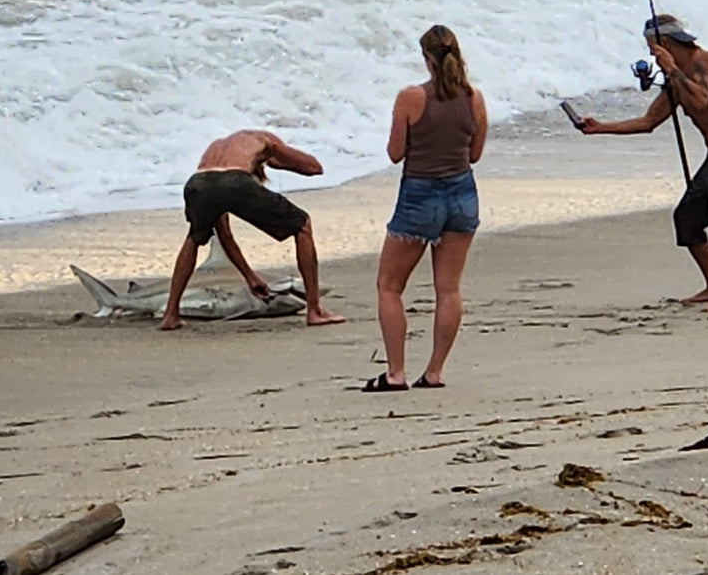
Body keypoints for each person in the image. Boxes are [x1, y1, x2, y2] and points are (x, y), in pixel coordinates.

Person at [580, 14, 708, 313]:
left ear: (664, 43)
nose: (651, 54)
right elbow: (648, 122)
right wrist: (599, 127)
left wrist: (671, 68)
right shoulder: (676, 79)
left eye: (652, 48)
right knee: (687, 218)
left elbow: (702, 98)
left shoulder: (704, 62)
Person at [363, 25, 488, 391]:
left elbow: (395, 153)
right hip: (463, 193)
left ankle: (396, 372)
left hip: (420, 193)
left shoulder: (411, 97)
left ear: (427, 59)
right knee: (448, 288)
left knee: (390, 286)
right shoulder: (475, 98)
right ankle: (434, 371)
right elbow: (475, 154)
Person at [159, 129, 345, 331]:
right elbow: (314, 168)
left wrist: (250, 276)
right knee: (302, 225)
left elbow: (225, 236)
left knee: (195, 238)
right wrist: (277, 152)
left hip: (197, 183)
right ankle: (315, 310)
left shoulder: (216, 149)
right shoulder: (262, 138)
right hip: (236, 181)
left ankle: (170, 314)